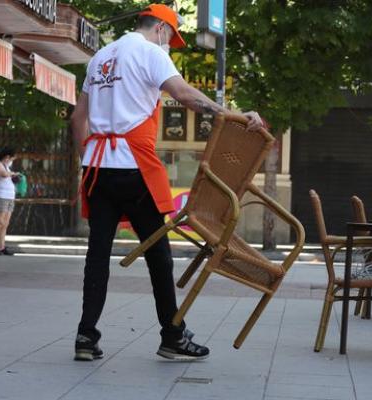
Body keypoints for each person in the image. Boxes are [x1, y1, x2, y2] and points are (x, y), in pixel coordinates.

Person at [69, 4, 264, 362]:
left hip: (97, 169)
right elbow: (187, 96)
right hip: (134, 169)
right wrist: (236, 116)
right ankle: (172, 335)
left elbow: (78, 118)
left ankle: (86, 336)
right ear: (160, 28)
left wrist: (88, 158)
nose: (170, 46)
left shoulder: (99, 58)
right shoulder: (148, 52)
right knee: (159, 255)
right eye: (170, 39)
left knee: (97, 256)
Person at [0, 147, 20, 256]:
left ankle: (1, 247)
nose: (11, 161)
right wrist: (12, 173)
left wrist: (15, 176)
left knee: (5, 224)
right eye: (12, 158)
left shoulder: (7, 166)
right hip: (0, 197)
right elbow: (3, 174)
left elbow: (8, 177)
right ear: (7, 156)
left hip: (10, 197)